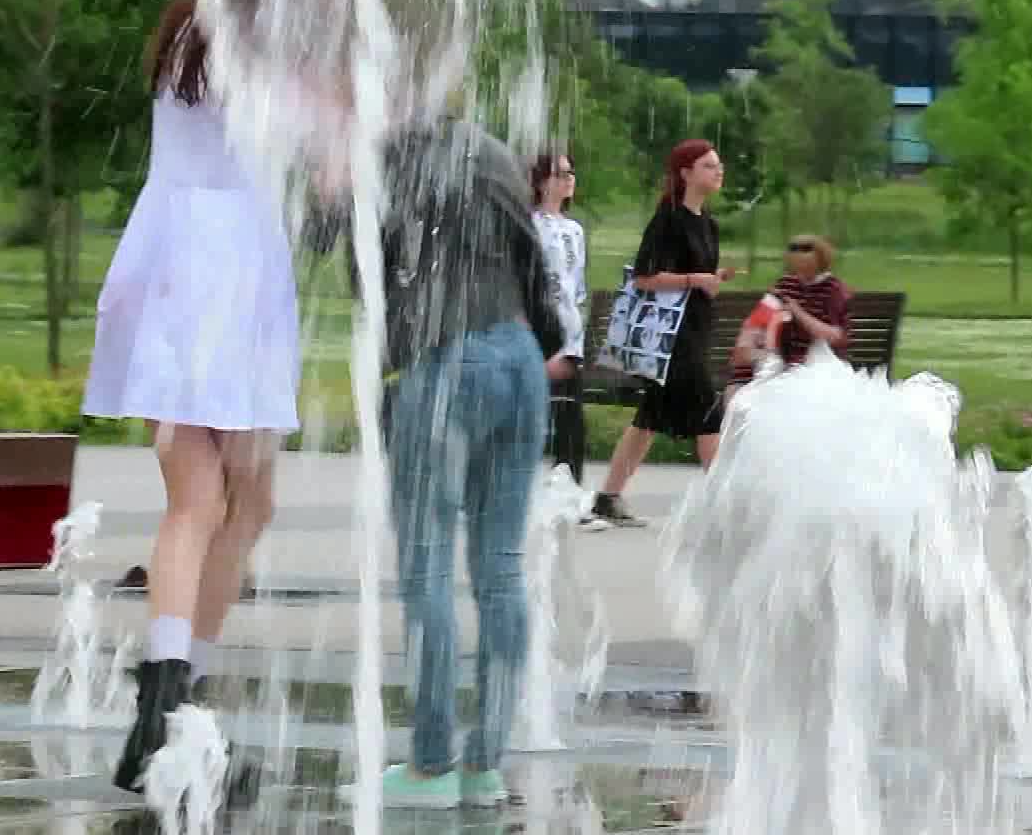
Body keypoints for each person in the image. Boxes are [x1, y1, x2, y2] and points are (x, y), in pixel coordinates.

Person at [314, 117, 570, 809]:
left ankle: (431, 765)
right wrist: (541, 340)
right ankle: (484, 766)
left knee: (427, 568)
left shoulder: (379, 152)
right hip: (519, 358)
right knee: (501, 569)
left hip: (447, 360)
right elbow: (532, 263)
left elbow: (324, 237)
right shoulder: (488, 148)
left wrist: (330, 172)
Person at [83, 0, 303, 794]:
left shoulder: (189, 35)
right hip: (232, 276)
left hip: (170, 265)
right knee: (234, 503)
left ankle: (168, 706)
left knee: (204, 503)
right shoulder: (262, 46)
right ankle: (176, 704)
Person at [587, 139, 735, 532]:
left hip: (694, 330)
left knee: (650, 417)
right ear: (685, 173)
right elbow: (644, 277)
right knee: (708, 412)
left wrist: (711, 280)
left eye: (718, 165)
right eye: (708, 165)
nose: (718, 171)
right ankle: (726, 507)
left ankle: (607, 498)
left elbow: (697, 276)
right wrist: (694, 279)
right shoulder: (668, 220)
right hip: (669, 339)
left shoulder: (708, 223)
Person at [529, 152, 587, 486]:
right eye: (560, 173)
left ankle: (569, 486)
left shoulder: (574, 230)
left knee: (571, 416)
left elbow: (576, 286)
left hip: (570, 334)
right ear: (541, 182)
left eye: (571, 172)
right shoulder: (528, 223)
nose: (569, 179)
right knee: (530, 413)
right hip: (538, 331)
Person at [766, 234, 852, 366]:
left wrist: (798, 312)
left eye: (805, 250)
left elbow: (837, 337)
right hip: (787, 363)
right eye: (793, 250)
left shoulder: (834, 289)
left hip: (822, 364)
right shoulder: (785, 283)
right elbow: (763, 323)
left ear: (821, 257)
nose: (798, 255)